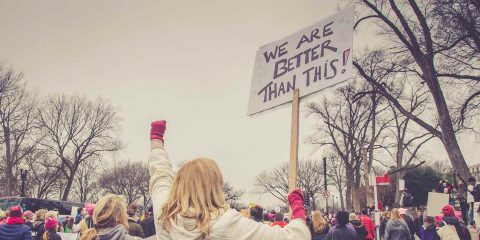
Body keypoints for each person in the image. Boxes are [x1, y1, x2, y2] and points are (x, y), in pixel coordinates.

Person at [148, 120, 310, 239]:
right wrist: (297, 207)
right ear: (213, 187)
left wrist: (156, 141)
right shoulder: (226, 224)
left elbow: (160, 175)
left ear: (179, 185)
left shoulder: (164, 215)